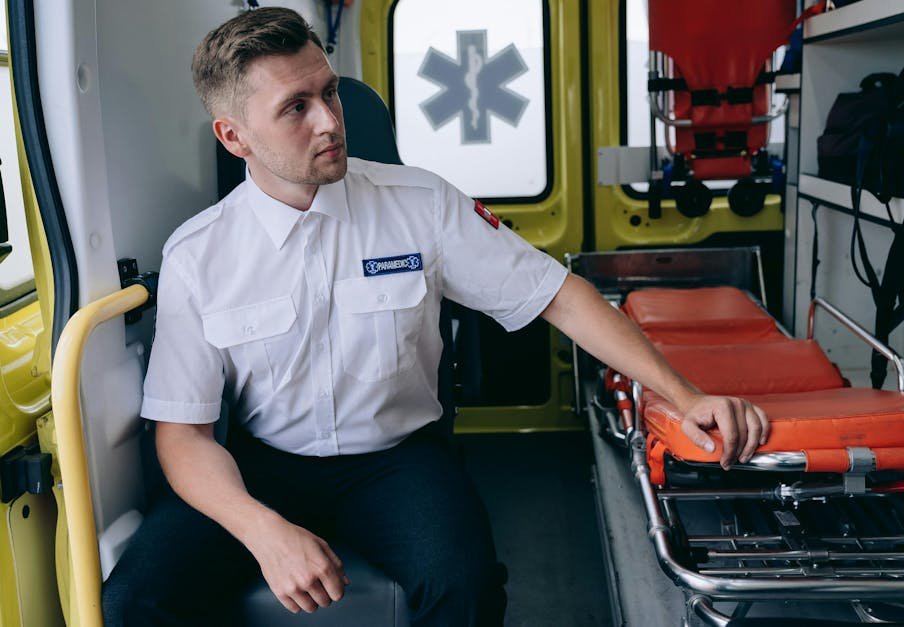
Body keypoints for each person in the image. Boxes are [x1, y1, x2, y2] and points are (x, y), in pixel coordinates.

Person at [102, 7, 768, 626]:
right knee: (133, 599)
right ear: (234, 136)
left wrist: (683, 395)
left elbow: (558, 295)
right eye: (295, 109)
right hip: (262, 466)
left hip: (396, 460)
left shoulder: (418, 203)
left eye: (329, 93)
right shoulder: (199, 254)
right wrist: (263, 530)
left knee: (466, 583)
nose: (331, 122)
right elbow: (183, 436)